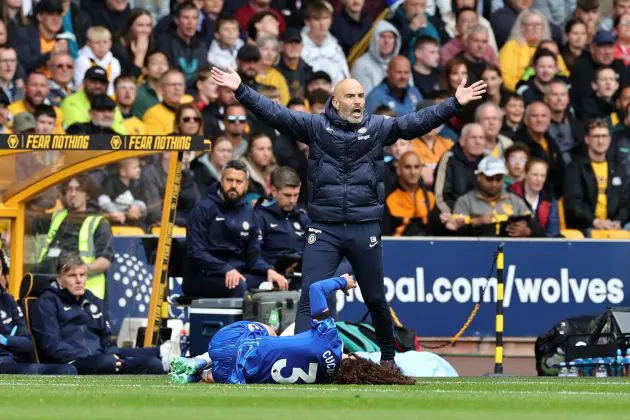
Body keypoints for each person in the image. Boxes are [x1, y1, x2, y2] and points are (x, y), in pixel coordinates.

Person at [210, 56, 486, 363]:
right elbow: (276, 114)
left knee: (376, 298)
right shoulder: (315, 126)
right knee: (309, 297)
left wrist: (455, 103)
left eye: (361, 96)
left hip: (364, 226)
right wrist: (241, 90)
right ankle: (303, 360)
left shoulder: (378, 127)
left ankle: (388, 360)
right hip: (324, 228)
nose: (358, 102)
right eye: (351, 96)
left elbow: (414, 123)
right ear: (336, 103)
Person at [169, 274, 414, 385]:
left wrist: (344, 282)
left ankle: (200, 359)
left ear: (353, 359)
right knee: (251, 364)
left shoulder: (331, 341)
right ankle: (203, 373)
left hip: (229, 341)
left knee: (270, 330)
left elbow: (316, 289)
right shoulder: (323, 380)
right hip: (235, 375)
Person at [31, 251, 169, 375]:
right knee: (107, 363)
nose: (79, 280)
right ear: (60, 280)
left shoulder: (93, 301)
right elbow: (50, 345)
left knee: (153, 364)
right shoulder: (46, 302)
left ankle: (170, 357)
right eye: (72, 276)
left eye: (82, 275)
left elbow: (106, 339)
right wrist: (90, 358)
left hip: (103, 359)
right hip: (71, 363)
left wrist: (112, 354)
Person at [185, 160, 288, 298]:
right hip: (204, 276)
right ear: (221, 181)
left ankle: (259, 321)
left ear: (246, 185)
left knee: (275, 283)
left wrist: (269, 270)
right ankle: (236, 321)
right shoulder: (203, 209)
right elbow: (196, 252)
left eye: (239, 181)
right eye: (229, 180)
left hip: (237, 274)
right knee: (238, 284)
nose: (233, 185)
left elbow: (253, 257)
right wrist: (226, 269)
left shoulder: (249, 213)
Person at [35, 175, 113, 299]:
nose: (73, 194)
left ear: (87, 194)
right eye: (69, 189)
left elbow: (105, 261)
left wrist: (78, 271)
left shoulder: (99, 222)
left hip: (83, 295)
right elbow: (28, 223)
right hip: (48, 287)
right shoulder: (55, 217)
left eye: (78, 190)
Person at [0, 254, 77, 375]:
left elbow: (28, 343)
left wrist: (6, 340)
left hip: (11, 362)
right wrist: (14, 340)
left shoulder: (8, 301)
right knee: (30, 370)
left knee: (68, 370)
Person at [444, 155, 545, 237]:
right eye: (489, 179)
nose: (494, 184)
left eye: (499, 179)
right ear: (479, 177)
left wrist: (527, 231)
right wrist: (475, 223)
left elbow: (540, 231)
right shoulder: (465, 201)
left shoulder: (515, 200)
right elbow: (455, 237)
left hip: (513, 255)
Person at [564, 119, 630, 234]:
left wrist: (619, 221)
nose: (600, 141)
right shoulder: (575, 168)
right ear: (587, 139)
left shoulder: (619, 168)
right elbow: (573, 206)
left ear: (609, 139)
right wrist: (595, 221)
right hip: (587, 227)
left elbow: (626, 202)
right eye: (596, 137)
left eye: (604, 136)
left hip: (614, 226)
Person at [253, 167, 310, 278]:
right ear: (274, 191)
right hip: (270, 275)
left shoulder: (301, 215)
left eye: (296, 195)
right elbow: (253, 255)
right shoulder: (259, 216)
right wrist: (269, 269)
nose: (292, 200)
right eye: (287, 195)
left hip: (301, 272)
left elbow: (315, 245)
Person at [515, 101, 565, 198]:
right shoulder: (518, 143)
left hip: (551, 199)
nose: (539, 120)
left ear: (549, 120)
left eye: (544, 116)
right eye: (535, 116)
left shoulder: (552, 143)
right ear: (525, 120)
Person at [434, 123, 485, 217]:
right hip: (455, 215)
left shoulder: (487, 160)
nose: (478, 142)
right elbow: (439, 197)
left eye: (481, 138)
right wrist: (457, 215)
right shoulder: (449, 159)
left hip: (482, 216)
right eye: (473, 137)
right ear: (462, 141)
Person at [382, 151, 436, 236]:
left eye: (417, 167)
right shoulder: (388, 198)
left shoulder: (430, 197)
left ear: (421, 170)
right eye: (408, 167)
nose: (413, 172)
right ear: (398, 170)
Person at [61, 66, 127, 134]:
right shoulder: (70, 102)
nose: (98, 86)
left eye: (102, 82)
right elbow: (80, 134)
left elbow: (121, 135)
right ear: (84, 82)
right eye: (93, 81)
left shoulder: (110, 103)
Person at [498, 9, 552, 92]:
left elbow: (562, 72)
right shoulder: (511, 47)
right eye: (530, 24)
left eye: (538, 24)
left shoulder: (549, 47)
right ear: (521, 27)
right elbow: (506, 78)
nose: (535, 28)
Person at [300, 0, 349, 86]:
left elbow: (347, 77)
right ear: (307, 22)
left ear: (331, 20)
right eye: (317, 19)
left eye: (325, 18)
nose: (322, 23)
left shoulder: (336, 48)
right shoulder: (299, 48)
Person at [509, 158, 561, 237]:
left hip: (543, 246)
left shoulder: (549, 197)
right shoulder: (512, 194)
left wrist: (530, 232)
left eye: (542, 176)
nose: (539, 179)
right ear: (525, 174)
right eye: (535, 175)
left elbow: (554, 233)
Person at [350, 21, 401, 96]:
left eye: (390, 37)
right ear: (374, 39)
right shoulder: (361, 65)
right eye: (382, 37)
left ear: (396, 41)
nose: (386, 41)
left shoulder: (401, 63)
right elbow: (365, 100)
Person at [143, 69, 193, 135]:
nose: (177, 88)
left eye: (180, 84)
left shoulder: (191, 108)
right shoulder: (152, 114)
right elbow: (158, 143)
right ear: (161, 89)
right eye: (172, 85)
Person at [74, 26, 121, 95]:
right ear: (88, 43)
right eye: (97, 42)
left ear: (110, 43)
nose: (101, 46)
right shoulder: (81, 61)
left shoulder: (114, 62)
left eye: (105, 42)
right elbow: (80, 86)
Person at [276, 28, 313, 101]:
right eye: (290, 43)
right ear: (282, 47)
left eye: (297, 43)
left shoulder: (308, 71)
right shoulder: (275, 70)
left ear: (302, 46)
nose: (294, 46)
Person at [411, 35, 441, 100]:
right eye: (432, 52)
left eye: (438, 52)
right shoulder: (409, 76)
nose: (437, 56)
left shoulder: (440, 73)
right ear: (418, 53)